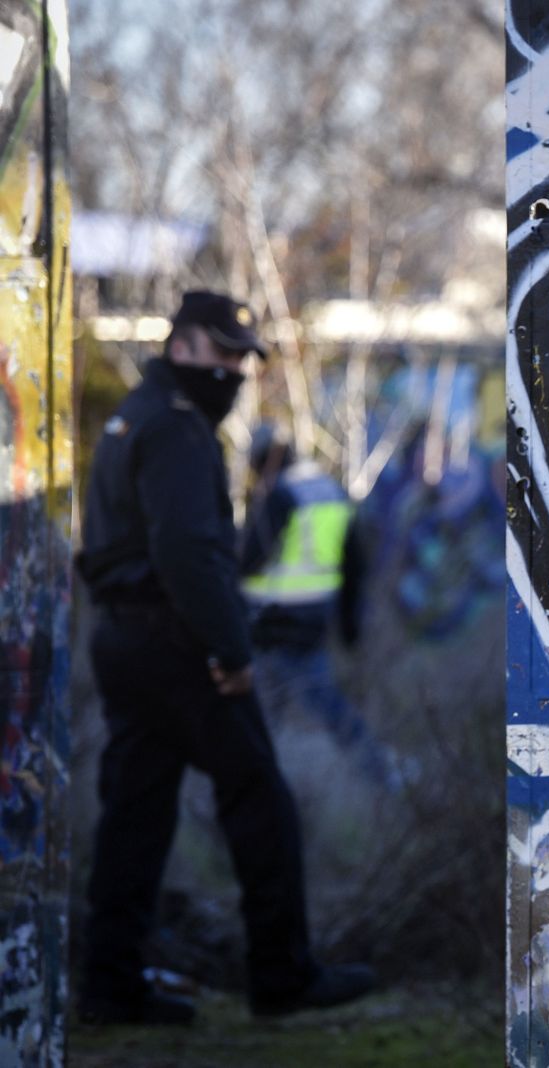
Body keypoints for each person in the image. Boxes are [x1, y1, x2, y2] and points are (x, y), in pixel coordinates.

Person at [76, 290, 376, 1024]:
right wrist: (231, 650)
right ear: (182, 346)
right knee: (261, 802)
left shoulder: (132, 418)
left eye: (244, 357)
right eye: (225, 352)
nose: (237, 369)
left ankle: (110, 985)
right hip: (178, 642)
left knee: (136, 813)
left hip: (125, 636)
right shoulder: (178, 430)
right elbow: (188, 553)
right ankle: (282, 976)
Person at [238, 425, 393, 787]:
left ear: (263, 461)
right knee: (326, 707)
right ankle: (382, 776)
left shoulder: (279, 495)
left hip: (270, 621)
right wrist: (350, 627)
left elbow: (249, 561)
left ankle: (253, 789)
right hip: (313, 621)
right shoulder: (330, 491)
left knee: (257, 716)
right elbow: (354, 566)